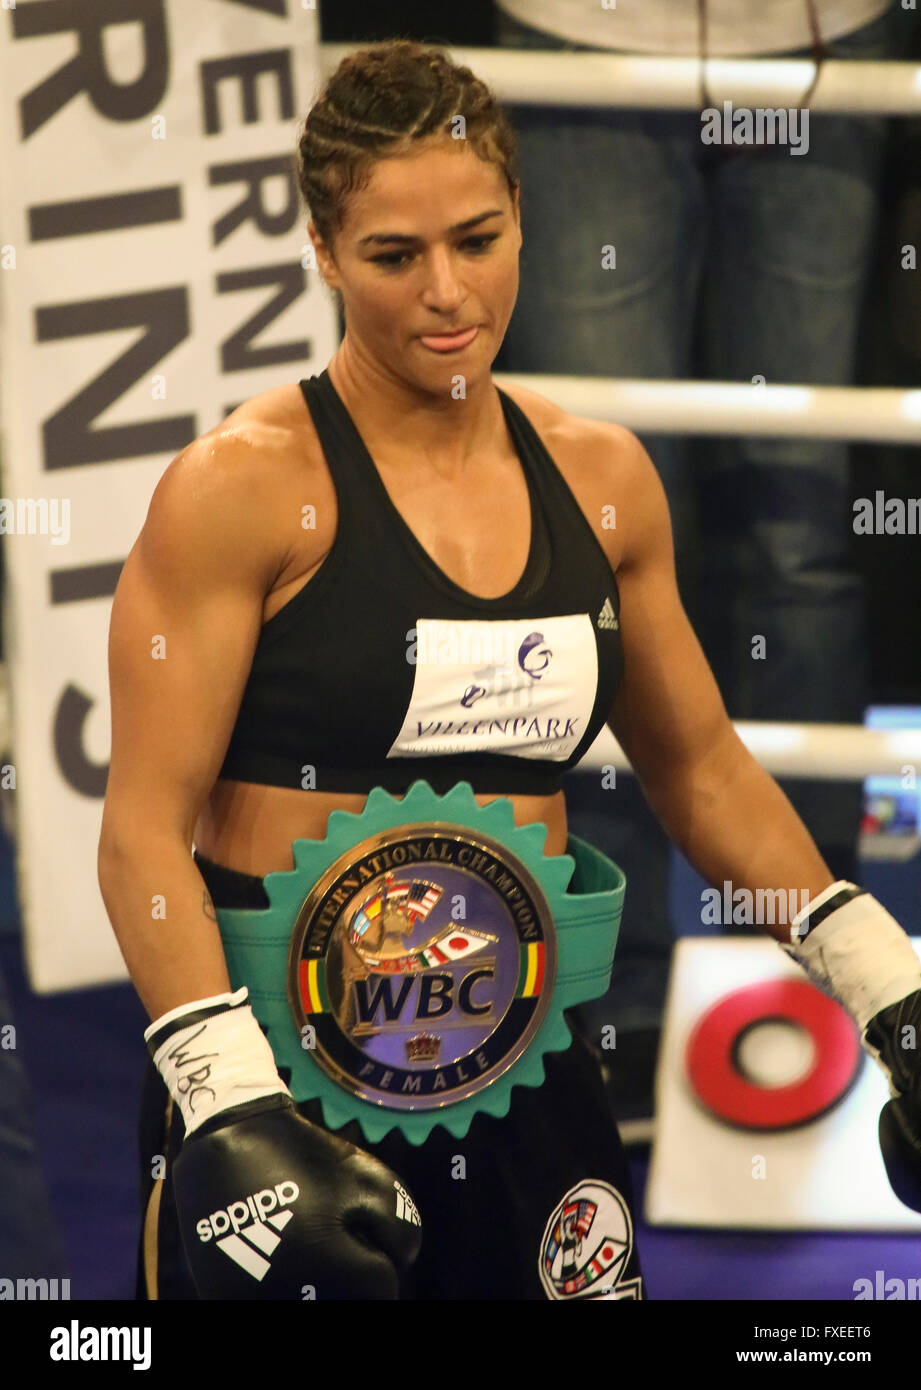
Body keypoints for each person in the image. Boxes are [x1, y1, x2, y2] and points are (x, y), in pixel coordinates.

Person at [97, 39, 921, 1302]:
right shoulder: (245, 489)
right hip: (285, 1084)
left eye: (477, 240)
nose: (445, 292)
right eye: (392, 255)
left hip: (530, 1076)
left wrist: (889, 983)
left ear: (524, 219)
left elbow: (698, 766)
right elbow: (143, 830)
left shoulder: (601, 482)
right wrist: (225, 1103)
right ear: (322, 252)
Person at [492, 0, 907, 1122]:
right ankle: (620, 994)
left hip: (828, 34)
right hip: (580, 28)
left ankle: (828, 989)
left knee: (796, 524)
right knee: (594, 554)